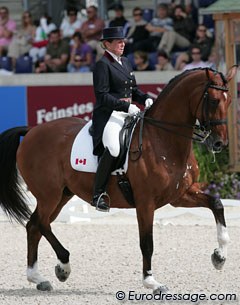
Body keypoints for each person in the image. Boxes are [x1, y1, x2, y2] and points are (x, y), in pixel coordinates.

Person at [91, 26, 153, 211]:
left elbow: (133, 90)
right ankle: (98, 193)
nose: (122, 43)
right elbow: (101, 96)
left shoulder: (125, 61)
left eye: (123, 41)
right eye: (118, 41)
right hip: (109, 115)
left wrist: (146, 98)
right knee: (114, 147)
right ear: (106, 44)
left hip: (128, 113)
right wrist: (126, 106)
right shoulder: (102, 65)